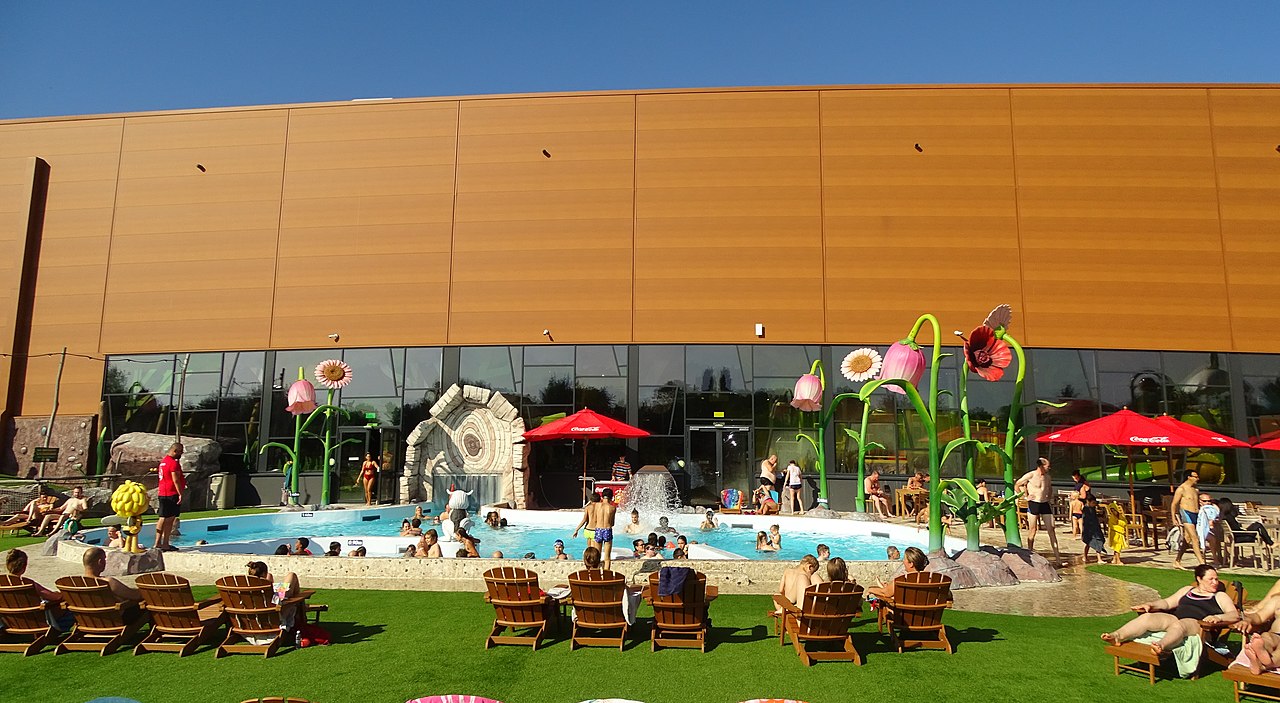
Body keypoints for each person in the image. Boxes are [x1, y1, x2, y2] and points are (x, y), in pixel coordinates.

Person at [1102, 564, 1238, 656]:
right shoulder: (1187, 590)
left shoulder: (1220, 596)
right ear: (1199, 579)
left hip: (1200, 625)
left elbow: (1234, 615)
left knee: (1180, 625)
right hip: (1176, 619)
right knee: (1147, 617)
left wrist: (1218, 617)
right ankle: (1117, 636)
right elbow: (1167, 603)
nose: (1215, 582)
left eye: (1216, 579)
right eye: (1211, 579)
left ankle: (1161, 646)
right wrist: (1150, 605)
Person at [5, 549, 71, 630]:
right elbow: (55, 597)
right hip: (33, 623)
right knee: (69, 612)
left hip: (11, 623)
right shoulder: (28, 584)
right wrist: (65, 595)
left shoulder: (2, 584)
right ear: (24, 566)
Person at [1014, 457, 1060, 561]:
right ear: (1041, 466)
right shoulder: (1031, 475)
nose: (1049, 468)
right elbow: (1017, 484)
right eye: (1047, 466)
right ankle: (1029, 553)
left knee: (1051, 529)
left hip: (1044, 503)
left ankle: (1058, 558)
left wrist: (1049, 496)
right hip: (1034, 503)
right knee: (1033, 529)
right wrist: (1024, 497)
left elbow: (1049, 488)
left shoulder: (1047, 477)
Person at [82, 547, 143, 615]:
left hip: (86, 618)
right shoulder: (108, 582)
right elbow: (136, 595)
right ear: (100, 562)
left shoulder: (77, 584)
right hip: (114, 619)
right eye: (104, 559)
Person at [153, 443, 186, 552]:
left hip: (163, 492)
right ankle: (165, 543)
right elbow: (175, 479)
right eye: (180, 451)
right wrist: (180, 493)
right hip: (171, 493)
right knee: (169, 519)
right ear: (175, 451)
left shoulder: (164, 462)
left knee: (163, 517)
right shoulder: (173, 463)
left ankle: (158, 543)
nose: (182, 453)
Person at [1173, 470, 1206, 568]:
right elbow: (1174, 504)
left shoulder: (1195, 490)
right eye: (1195, 477)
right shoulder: (1181, 489)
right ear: (1189, 477)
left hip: (1196, 514)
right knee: (1195, 538)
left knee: (1187, 540)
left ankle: (1177, 561)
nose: (1197, 479)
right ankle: (1202, 563)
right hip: (1186, 514)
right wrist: (1174, 518)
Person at [1080, 493, 1112, 564]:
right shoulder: (1086, 510)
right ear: (1088, 502)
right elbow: (1086, 520)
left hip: (1095, 528)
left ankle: (1085, 556)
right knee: (1096, 542)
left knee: (1090, 543)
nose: (1094, 504)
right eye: (1093, 503)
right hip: (1090, 529)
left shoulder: (1092, 509)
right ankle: (1099, 559)